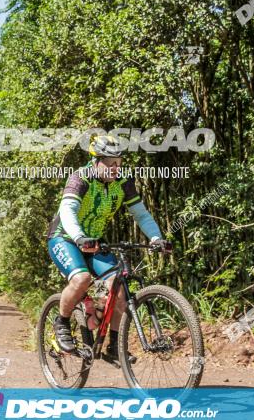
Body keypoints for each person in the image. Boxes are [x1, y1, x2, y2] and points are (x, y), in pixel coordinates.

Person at [46, 134, 172, 365]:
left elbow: (141, 215)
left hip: (94, 241)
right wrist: (79, 237)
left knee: (120, 287)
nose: (116, 168)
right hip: (64, 238)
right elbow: (67, 210)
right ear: (96, 161)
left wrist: (156, 238)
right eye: (111, 163)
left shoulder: (123, 182)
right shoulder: (80, 178)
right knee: (81, 278)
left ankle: (114, 346)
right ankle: (61, 323)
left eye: (119, 163)